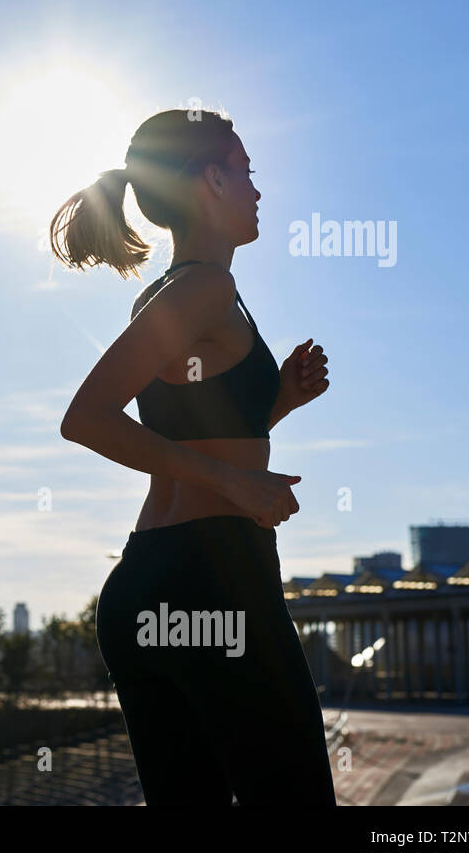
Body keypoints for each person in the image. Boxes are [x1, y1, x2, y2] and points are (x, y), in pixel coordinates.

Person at [52, 108, 335, 805]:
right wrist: (236, 481)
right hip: (214, 579)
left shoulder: (175, 291)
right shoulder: (206, 287)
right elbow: (85, 418)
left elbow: (187, 436)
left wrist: (277, 405)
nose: (258, 190)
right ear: (212, 179)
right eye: (246, 171)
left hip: (150, 585)